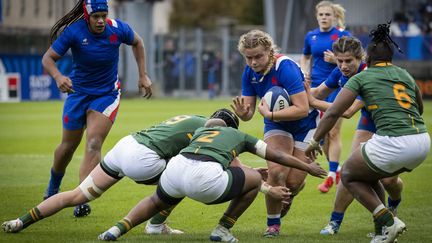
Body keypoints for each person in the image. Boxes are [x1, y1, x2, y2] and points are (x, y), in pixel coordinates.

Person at [1, 109, 290, 235]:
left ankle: (19, 221)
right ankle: (154, 226)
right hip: (145, 159)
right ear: (227, 126)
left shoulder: (193, 119)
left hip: (125, 146)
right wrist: (265, 185)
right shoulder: (215, 130)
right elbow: (232, 167)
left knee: (76, 195)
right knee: (185, 178)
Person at [98, 117, 327, 242]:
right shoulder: (237, 134)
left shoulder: (199, 132)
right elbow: (276, 156)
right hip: (205, 180)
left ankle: (115, 231)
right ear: (230, 126)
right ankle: (222, 230)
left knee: (155, 201)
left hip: (176, 169)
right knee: (254, 179)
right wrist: (307, 166)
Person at [305, 23, 430, 243]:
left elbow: (341, 112)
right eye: (339, 61)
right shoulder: (404, 74)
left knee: (352, 174)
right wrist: (301, 91)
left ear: (365, 59)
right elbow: (418, 109)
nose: (343, 65)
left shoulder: (364, 76)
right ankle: (360, 226)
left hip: (391, 137)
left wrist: (315, 139)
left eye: (348, 61)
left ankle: (389, 220)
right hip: (420, 139)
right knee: (365, 173)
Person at [40, 0, 152, 217]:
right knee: (67, 147)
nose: (101, 21)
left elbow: (138, 42)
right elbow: (48, 58)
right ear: (86, 16)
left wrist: (142, 74)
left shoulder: (118, 29)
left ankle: (81, 197)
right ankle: (53, 186)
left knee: (93, 142)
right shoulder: (74, 32)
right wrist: (58, 76)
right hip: (77, 94)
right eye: (95, 17)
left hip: (106, 95)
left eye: (103, 15)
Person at [231, 29, 320, 237]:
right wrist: (244, 114)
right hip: (277, 125)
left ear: (269, 51)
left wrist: (270, 114)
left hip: (305, 125)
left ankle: (293, 190)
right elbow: (250, 112)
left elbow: (302, 108)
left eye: (258, 56)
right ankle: (273, 226)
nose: (253, 62)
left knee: (293, 183)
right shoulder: (249, 73)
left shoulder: (285, 67)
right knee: (277, 172)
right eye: (248, 57)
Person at [300, 1, 351, 193]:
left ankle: (330, 178)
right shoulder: (311, 36)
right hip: (316, 88)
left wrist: (336, 60)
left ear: (334, 16)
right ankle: (336, 170)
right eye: (321, 14)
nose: (324, 17)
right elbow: (305, 56)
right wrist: (304, 70)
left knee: (333, 131)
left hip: (338, 86)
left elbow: (357, 60)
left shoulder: (342, 35)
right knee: (324, 135)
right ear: (316, 16)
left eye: (327, 14)